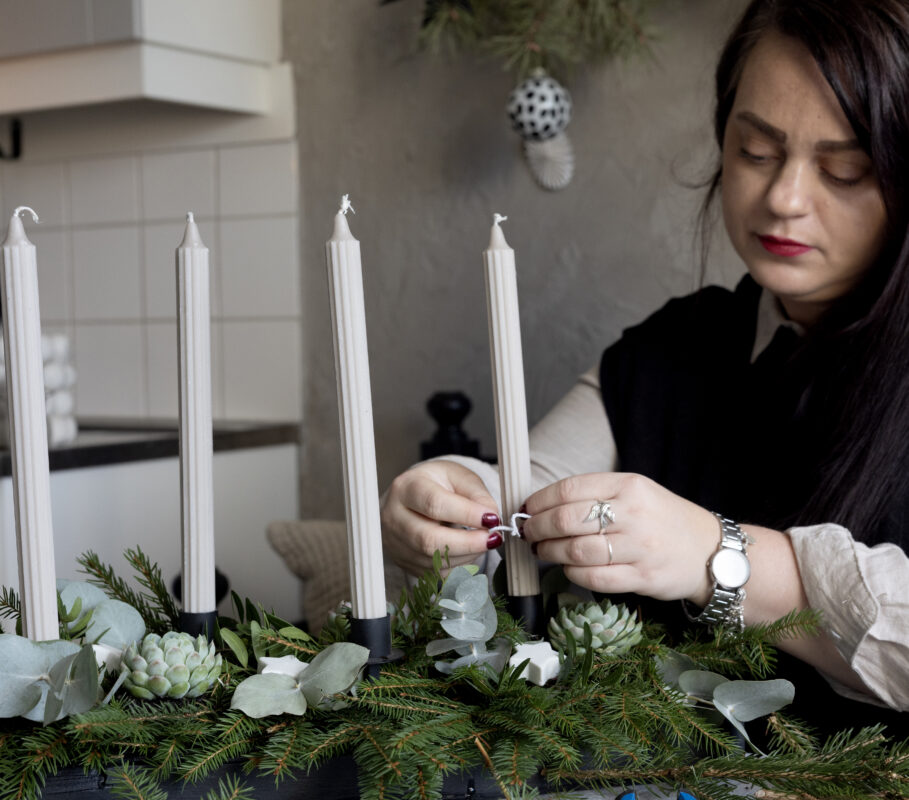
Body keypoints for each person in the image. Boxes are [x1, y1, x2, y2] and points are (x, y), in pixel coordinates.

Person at [380, 0, 909, 735]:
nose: (783, 198)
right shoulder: (672, 350)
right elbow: (527, 483)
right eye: (755, 152)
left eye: (844, 169)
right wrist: (447, 506)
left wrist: (715, 557)